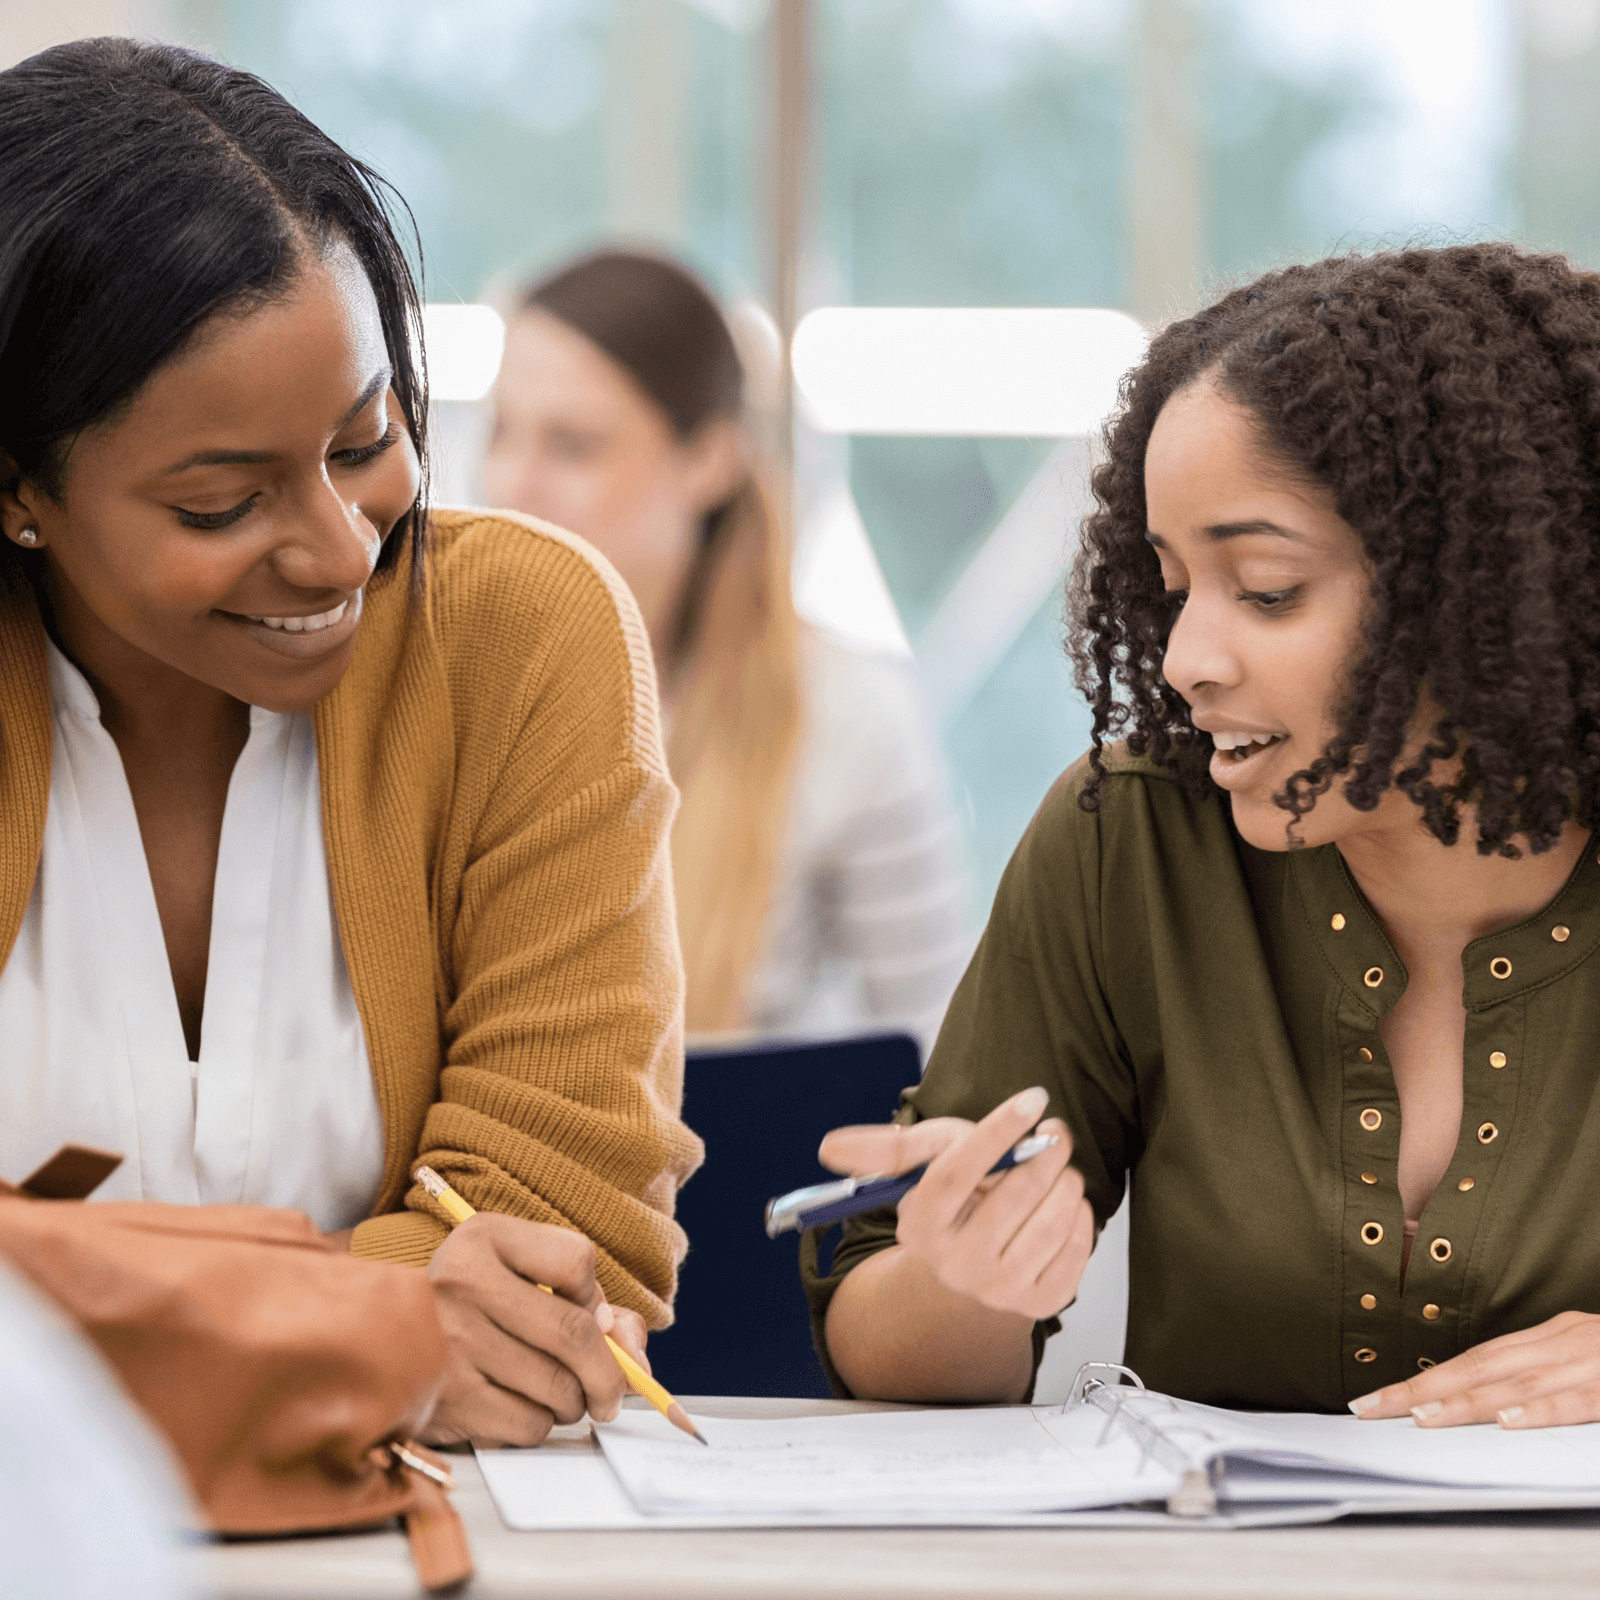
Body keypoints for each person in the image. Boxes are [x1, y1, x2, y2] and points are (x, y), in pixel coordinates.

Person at [0, 38, 701, 1449]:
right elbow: (436, 1319)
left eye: (366, 437)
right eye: (219, 503)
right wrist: (360, 1323)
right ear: (19, 493)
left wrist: (83, 1307)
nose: (338, 548)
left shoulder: (526, 643)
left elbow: (567, 1243)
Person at [808, 242, 1600, 1431]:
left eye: (1267, 588)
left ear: (1485, 587)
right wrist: (965, 1280)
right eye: (1172, 586)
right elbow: (885, 1337)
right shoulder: (1128, 839)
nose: (1185, 662)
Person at [483, 249, 970, 1045]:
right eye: (502, 433)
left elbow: (942, 1049)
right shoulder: (448, 690)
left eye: (572, 445)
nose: (512, 483)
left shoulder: (846, 711)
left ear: (709, 459)